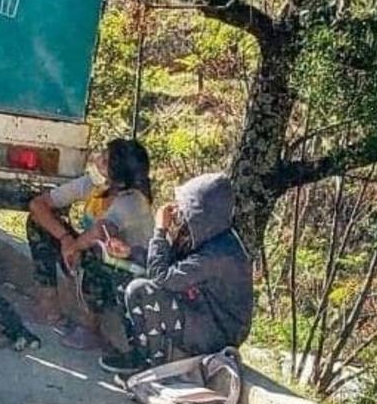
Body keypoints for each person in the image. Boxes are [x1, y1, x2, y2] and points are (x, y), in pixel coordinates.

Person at [98, 173, 254, 375]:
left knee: (142, 289)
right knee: (125, 280)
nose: (180, 211)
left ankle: (157, 368)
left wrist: (160, 231)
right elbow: (170, 267)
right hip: (201, 310)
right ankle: (139, 353)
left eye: (185, 207)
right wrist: (131, 253)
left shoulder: (220, 253)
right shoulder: (205, 235)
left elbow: (160, 278)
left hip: (218, 331)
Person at [26, 138, 153, 350]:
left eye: (104, 161)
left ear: (119, 178)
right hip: (87, 257)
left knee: (98, 249)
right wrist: (65, 239)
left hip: (124, 276)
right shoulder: (94, 185)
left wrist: (74, 246)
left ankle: (90, 326)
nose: (97, 161)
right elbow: (39, 205)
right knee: (39, 223)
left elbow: (101, 232)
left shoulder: (132, 201)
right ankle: (49, 305)